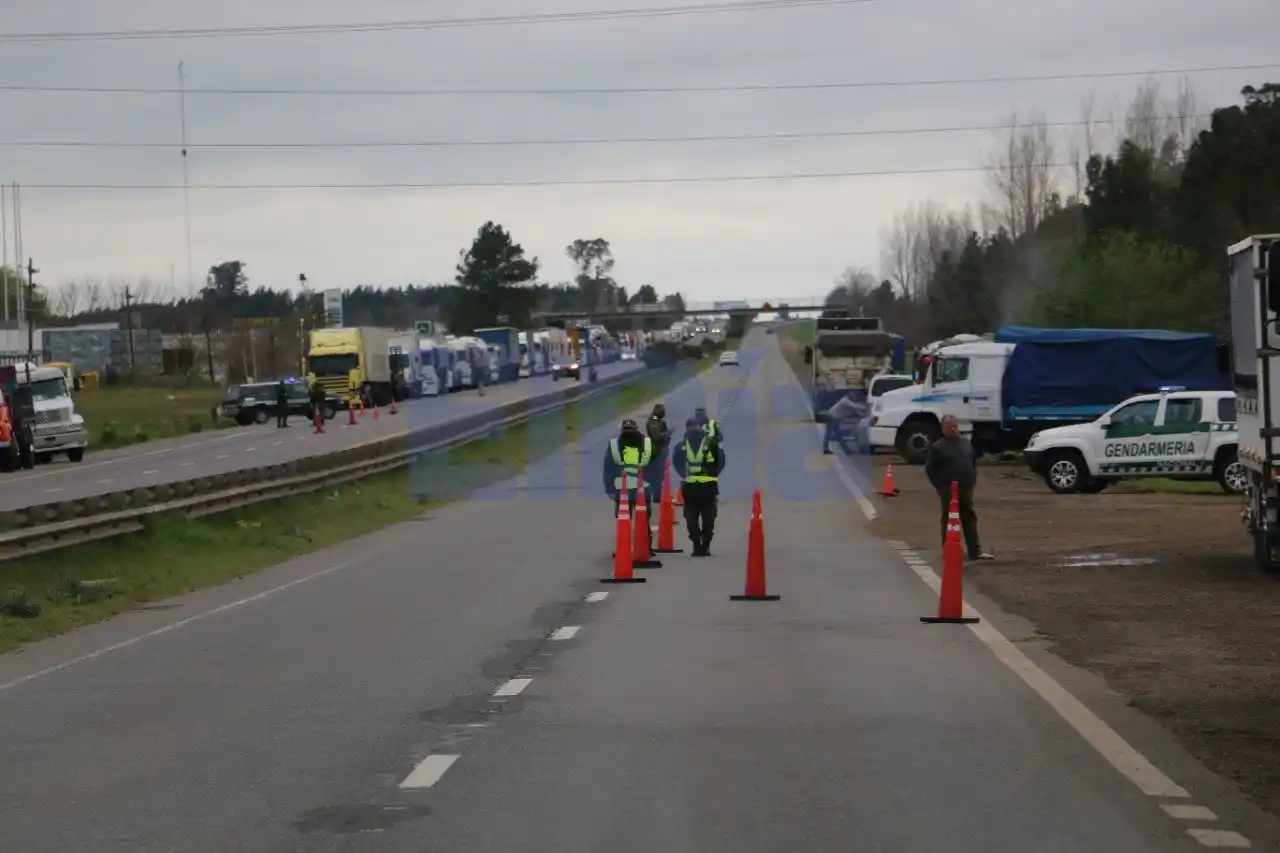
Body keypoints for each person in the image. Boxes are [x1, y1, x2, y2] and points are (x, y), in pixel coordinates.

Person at [924, 414, 993, 560]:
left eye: (955, 426)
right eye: (950, 427)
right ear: (943, 429)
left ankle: (975, 551)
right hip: (948, 489)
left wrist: (972, 479)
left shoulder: (965, 443)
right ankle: (949, 549)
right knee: (949, 519)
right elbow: (931, 469)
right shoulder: (938, 447)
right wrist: (941, 487)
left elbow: (972, 461)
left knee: (969, 517)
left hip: (966, 486)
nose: (953, 429)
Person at [672, 416, 726, 557]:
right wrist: (714, 473)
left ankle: (696, 546)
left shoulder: (682, 444)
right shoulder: (711, 444)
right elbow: (721, 460)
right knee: (709, 517)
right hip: (709, 487)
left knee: (691, 517)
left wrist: (684, 475)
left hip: (690, 487)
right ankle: (705, 545)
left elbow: (676, 461)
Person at [602, 418, 655, 548]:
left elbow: (608, 469)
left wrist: (609, 488)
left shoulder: (614, 446)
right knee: (641, 520)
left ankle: (625, 548)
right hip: (641, 490)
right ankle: (645, 548)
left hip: (623, 491)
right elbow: (655, 468)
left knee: (625, 521)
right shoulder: (647, 444)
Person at [645, 403, 672, 505]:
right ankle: (656, 495)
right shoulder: (653, 421)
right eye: (662, 410)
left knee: (660, 473)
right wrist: (668, 434)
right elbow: (656, 436)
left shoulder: (660, 421)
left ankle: (657, 494)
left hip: (661, 449)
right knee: (657, 473)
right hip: (656, 450)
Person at [823, 390, 865, 455]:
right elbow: (854, 406)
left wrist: (861, 413)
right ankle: (826, 449)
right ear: (849, 395)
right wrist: (864, 407)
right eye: (853, 396)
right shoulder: (845, 401)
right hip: (832, 417)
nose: (854, 397)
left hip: (834, 417)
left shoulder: (846, 401)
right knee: (829, 434)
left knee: (839, 436)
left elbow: (855, 410)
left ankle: (846, 450)